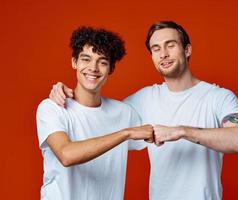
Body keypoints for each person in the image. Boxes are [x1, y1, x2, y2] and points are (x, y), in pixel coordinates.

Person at [49, 21, 238, 200]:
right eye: (156, 48)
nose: (163, 54)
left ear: (187, 50)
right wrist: (69, 94)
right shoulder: (143, 99)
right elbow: (97, 117)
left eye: (170, 45)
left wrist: (182, 131)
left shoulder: (218, 97)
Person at [36, 26, 154, 200]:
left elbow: (163, 125)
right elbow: (66, 155)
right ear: (74, 62)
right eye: (86, 59)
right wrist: (126, 133)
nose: (93, 67)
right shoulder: (52, 107)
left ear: (111, 69)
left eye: (102, 62)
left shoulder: (124, 112)